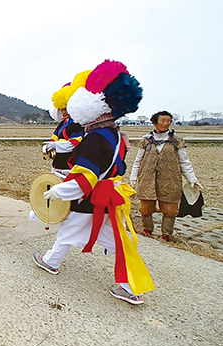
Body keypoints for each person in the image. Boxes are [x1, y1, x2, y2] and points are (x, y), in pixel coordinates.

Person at [32, 60, 155, 305]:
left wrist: (58, 191)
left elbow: (84, 178)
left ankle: (50, 262)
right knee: (118, 241)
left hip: (92, 199)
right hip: (110, 197)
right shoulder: (117, 136)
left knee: (68, 231)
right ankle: (130, 287)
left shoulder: (95, 138)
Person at [129, 111, 202, 241]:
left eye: (168, 121)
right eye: (162, 121)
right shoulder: (146, 140)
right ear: (154, 122)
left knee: (170, 209)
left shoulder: (176, 141)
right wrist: (134, 176)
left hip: (170, 180)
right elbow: (138, 160)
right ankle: (147, 229)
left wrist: (192, 179)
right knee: (146, 208)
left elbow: (184, 162)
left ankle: (166, 234)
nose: (166, 123)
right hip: (147, 179)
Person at [45, 72, 87, 173]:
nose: (64, 112)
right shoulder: (62, 124)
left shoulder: (78, 124)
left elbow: (73, 144)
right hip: (57, 163)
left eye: (66, 109)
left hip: (70, 165)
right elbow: (54, 138)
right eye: (62, 109)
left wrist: (55, 146)